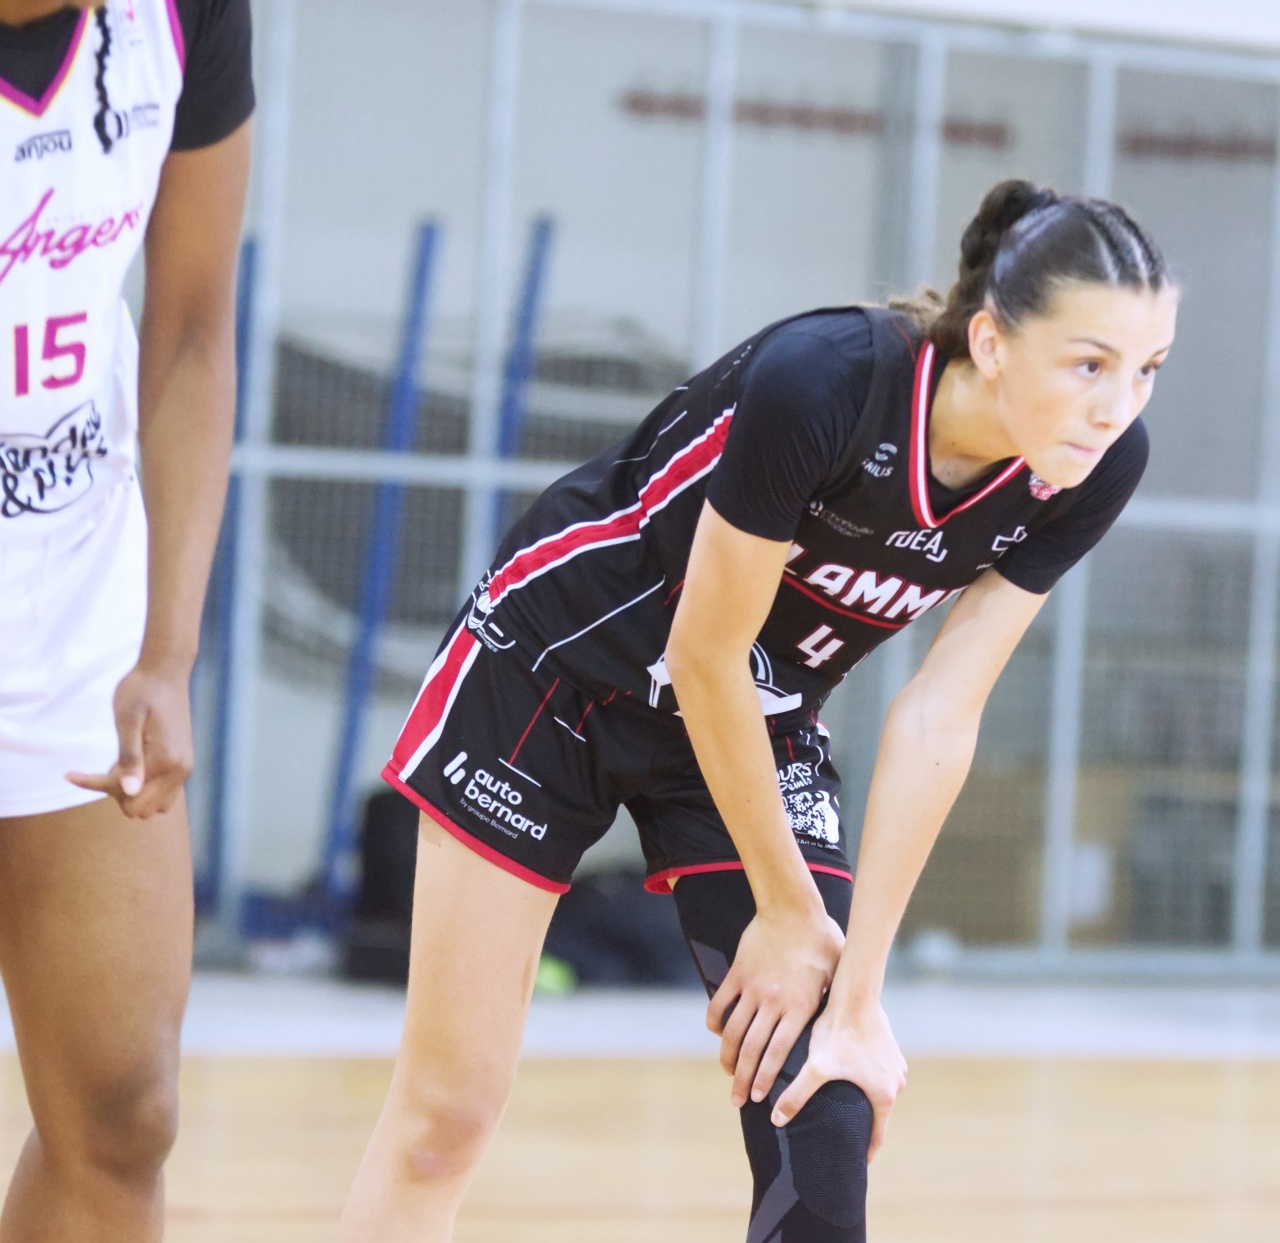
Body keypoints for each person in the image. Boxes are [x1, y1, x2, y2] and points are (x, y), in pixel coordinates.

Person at [339, 180, 1178, 1243]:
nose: (1117, 407)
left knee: (824, 1098)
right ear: (992, 341)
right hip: (552, 672)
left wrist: (858, 989)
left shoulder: (1094, 468)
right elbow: (704, 649)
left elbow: (937, 716)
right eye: (1089, 364)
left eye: (1147, 369)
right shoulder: (827, 380)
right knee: (444, 1121)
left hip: (751, 715)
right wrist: (786, 908)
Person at [0, 0, 251, 1237]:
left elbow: (194, 327)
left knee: (123, 1112)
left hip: (78, 621)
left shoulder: (186, 13)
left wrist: (168, 651)